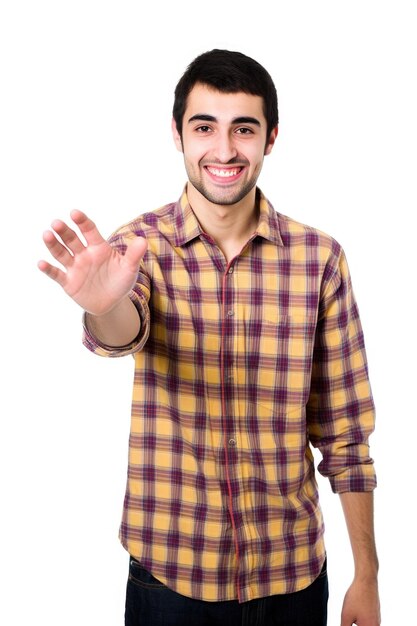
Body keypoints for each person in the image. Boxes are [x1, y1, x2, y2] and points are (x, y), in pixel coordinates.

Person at [38, 49, 380, 626]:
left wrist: (367, 575)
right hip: (169, 578)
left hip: (291, 577)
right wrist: (104, 306)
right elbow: (122, 331)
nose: (224, 151)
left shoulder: (319, 260)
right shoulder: (137, 247)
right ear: (178, 134)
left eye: (243, 129)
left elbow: (346, 432)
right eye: (205, 128)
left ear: (270, 138)